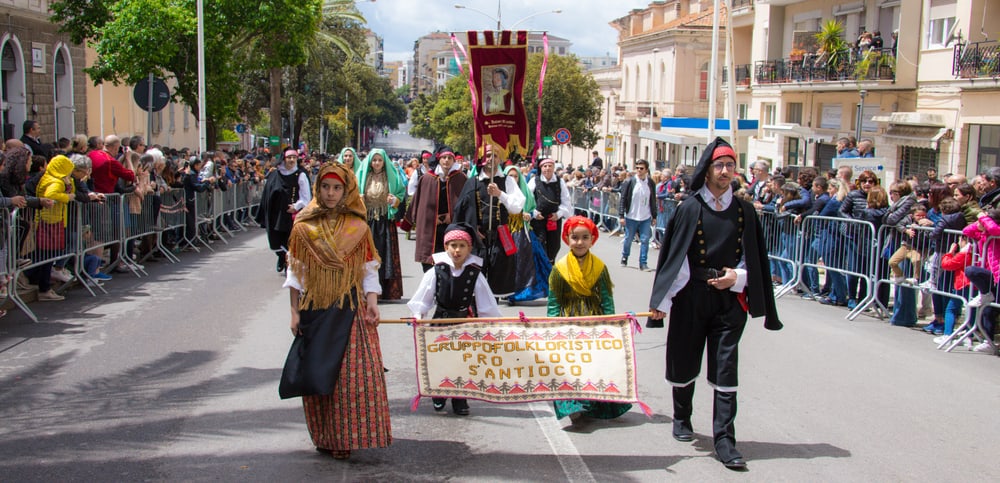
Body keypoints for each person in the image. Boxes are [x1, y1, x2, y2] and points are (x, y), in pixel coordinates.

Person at [648, 138, 782, 471]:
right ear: (707, 171)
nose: (725, 172)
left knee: (725, 366)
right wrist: (661, 301)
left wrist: (736, 278)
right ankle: (682, 416)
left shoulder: (744, 211)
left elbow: (755, 257)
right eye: (719, 166)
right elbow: (674, 258)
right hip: (692, 294)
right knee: (684, 356)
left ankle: (724, 439)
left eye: (730, 166)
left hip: (729, 301)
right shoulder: (689, 208)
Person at [278, 162, 391, 459]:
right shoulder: (303, 228)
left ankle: (344, 439)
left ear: (347, 190)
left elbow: (369, 270)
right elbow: (296, 274)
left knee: (351, 378)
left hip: (349, 309)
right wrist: (294, 312)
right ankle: (324, 436)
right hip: (315, 309)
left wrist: (372, 303)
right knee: (317, 376)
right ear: (317, 189)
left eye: (337, 188)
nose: (330, 193)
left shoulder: (359, 228)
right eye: (326, 187)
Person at [407, 223, 502, 415]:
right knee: (440, 359)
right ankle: (439, 393)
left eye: (461, 245)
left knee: (463, 360)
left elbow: (486, 302)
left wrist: (492, 323)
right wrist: (418, 315)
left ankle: (460, 399)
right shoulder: (436, 271)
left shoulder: (475, 273)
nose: (457, 250)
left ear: (469, 248)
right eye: (453, 245)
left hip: (464, 322)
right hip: (439, 322)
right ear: (446, 247)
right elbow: (423, 297)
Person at [548, 215, 632, 423]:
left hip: (594, 323)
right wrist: (552, 325)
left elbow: (606, 298)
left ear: (592, 239)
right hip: (569, 324)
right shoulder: (560, 269)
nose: (579, 242)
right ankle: (573, 406)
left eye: (585, 237)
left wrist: (612, 323)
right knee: (571, 366)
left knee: (593, 366)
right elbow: (554, 301)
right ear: (567, 239)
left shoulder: (600, 267)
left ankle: (594, 405)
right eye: (574, 237)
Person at [454, 145, 526, 297]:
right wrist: (471, 230)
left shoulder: (507, 181)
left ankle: (492, 314)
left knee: (497, 280)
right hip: (477, 239)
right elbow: (461, 211)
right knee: (473, 278)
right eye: (487, 155)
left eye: (495, 155)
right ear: (481, 158)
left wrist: (500, 194)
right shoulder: (473, 182)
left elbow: (517, 207)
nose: (491, 159)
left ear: (500, 158)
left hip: (500, 237)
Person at [405, 145, 468, 272]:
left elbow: (467, 204)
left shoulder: (461, 178)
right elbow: (418, 202)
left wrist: (452, 216)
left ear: (454, 160)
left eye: (450, 158)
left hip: (452, 228)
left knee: (450, 265)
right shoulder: (427, 178)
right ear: (439, 159)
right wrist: (410, 222)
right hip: (431, 227)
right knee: (430, 267)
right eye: (444, 157)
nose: (446, 160)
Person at [356, 148, 405, 300]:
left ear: (384, 162)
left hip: (384, 221)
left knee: (384, 255)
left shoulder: (392, 176)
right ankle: (365, 289)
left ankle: (384, 289)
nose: (377, 163)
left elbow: (401, 194)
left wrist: (394, 200)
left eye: (379, 160)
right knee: (367, 255)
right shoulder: (363, 176)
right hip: (368, 221)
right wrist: (359, 198)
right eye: (374, 160)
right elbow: (352, 194)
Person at [254, 149, 311, 272]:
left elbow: (306, 196)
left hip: (292, 215)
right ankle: (281, 256)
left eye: (294, 158)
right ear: (284, 158)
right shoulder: (275, 174)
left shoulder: (300, 175)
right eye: (289, 157)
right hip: (275, 214)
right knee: (275, 240)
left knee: (290, 240)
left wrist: (296, 206)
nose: (291, 160)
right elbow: (267, 193)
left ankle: (289, 264)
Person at [528, 158, 573, 265]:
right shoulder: (534, 181)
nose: (547, 168)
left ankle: (550, 266)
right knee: (539, 243)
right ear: (541, 168)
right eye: (545, 166)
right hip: (538, 219)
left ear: (554, 168)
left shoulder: (560, 182)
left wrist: (558, 214)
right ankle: (540, 269)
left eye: (550, 166)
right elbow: (527, 199)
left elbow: (566, 201)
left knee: (554, 245)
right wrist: (534, 213)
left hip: (553, 220)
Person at [618, 159, 657, 271]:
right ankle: (625, 256)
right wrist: (621, 215)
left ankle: (643, 263)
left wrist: (654, 216)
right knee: (628, 239)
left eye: (641, 168)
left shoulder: (650, 183)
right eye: (637, 168)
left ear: (646, 170)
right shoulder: (630, 181)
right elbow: (623, 199)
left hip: (645, 216)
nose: (639, 170)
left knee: (645, 239)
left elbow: (653, 199)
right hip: (631, 215)